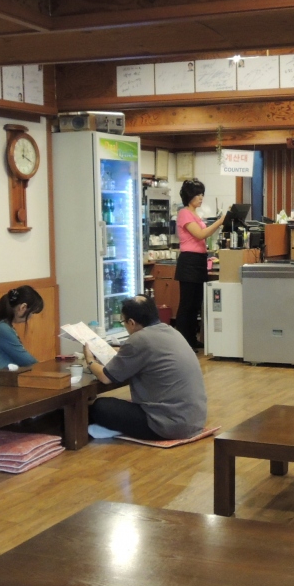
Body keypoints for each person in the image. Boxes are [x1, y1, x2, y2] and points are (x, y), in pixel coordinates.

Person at [85, 295, 207, 440]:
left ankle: (105, 429)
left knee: (100, 407)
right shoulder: (171, 331)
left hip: (168, 425)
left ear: (131, 322)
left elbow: (105, 377)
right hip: (193, 420)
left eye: (123, 322)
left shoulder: (139, 339)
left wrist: (89, 360)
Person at [173, 178, 229, 350]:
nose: (201, 198)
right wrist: (220, 221)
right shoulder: (184, 213)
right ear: (189, 196)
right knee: (187, 304)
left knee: (196, 304)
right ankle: (183, 341)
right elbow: (200, 234)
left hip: (199, 260)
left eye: (202, 194)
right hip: (189, 261)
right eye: (197, 194)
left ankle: (191, 338)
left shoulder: (196, 214)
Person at [0, 285, 45, 369]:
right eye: (32, 312)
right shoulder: (2, 329)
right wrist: (44, 367)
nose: (31, 316)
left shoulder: (2, 326)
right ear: (23, 307)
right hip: (1, 376)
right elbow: (26, 360)